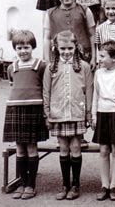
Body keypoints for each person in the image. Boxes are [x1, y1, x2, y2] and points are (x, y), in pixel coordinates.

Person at [43, 30, 93, 200]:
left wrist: (88, 114)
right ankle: (65, 184)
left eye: (70, 48)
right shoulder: (51, 68)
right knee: (63, 148)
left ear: (75, 47)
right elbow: (46, 92)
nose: (66, 52)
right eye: (62, 48)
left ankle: (76, 185)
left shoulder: (84, 67)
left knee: (76, 148)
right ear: (56, 47)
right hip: (58, 114)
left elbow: (89, 91)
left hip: (77, 113)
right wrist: (47, 113)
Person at [3, 30, 48, 200]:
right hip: (15, 109)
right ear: (15, 48)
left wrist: (45, 112)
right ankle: (22, 183)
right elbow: (12, 86)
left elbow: (45, 88)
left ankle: (31, 185)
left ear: (32, 47)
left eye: (27, 47)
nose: (23, 51)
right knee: (20, 148)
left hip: (34, 109)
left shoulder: (40, 66)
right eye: (19, 48)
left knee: (31, 147)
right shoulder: (11, 67)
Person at [91, 40, 115, 201]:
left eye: (102, 56)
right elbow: (96, 95)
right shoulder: (99, 73)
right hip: (102, 114)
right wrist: (93, 115)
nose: (99, 59)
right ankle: (104, 185)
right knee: (103, 150)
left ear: (114, 58)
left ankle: (114, 185)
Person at [43, 0, 96, 68]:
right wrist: (47, 60)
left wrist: (94, 58)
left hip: (83, 57)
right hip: (59, 57)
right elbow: (46, 38)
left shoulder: (85, 10)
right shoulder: (50, 13)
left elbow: (92, 35)